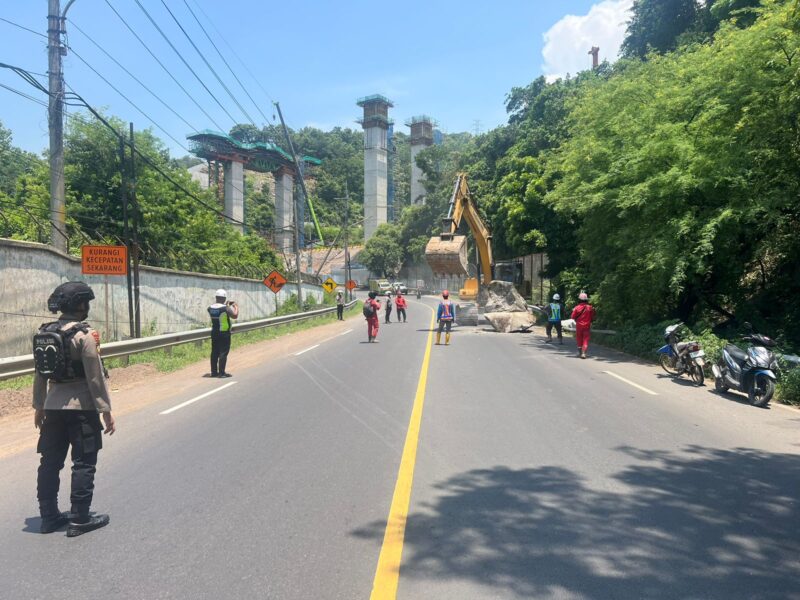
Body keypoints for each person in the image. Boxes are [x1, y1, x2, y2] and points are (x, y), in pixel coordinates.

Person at [32, 281, 115, 537]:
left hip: (53, 408)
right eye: (86, 302)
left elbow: (40, 373)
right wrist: (106, 410)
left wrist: (39, 406)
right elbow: (95, 377)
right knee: (83, 462)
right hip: (82, 408)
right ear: (80, 304)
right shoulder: (84, 335)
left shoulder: (45, 333)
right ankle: (79, 517)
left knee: (49, 462)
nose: (87, 306)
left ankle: (48, 517)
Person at [207, 289, 238, 377]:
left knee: (214, 352)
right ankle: (221, 373)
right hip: (224, 333)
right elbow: (235, 315)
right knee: (223, 353)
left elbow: (218, 310)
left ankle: (214, 372)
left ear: (216, 297)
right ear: (224, 298)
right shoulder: (225, 308)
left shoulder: (210, 308)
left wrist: (226, 305)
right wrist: (235, 306)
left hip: (214, 332)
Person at [570, 292, 596, 359]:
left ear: (579, 299)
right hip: (587, 326)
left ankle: (580, 353)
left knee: (579, 339)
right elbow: (593, 317)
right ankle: (584, 353)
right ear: (586, 299)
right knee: (585, 340)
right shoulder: (590, 307)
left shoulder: (576, 308)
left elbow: (572, 317)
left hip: (579, 326)